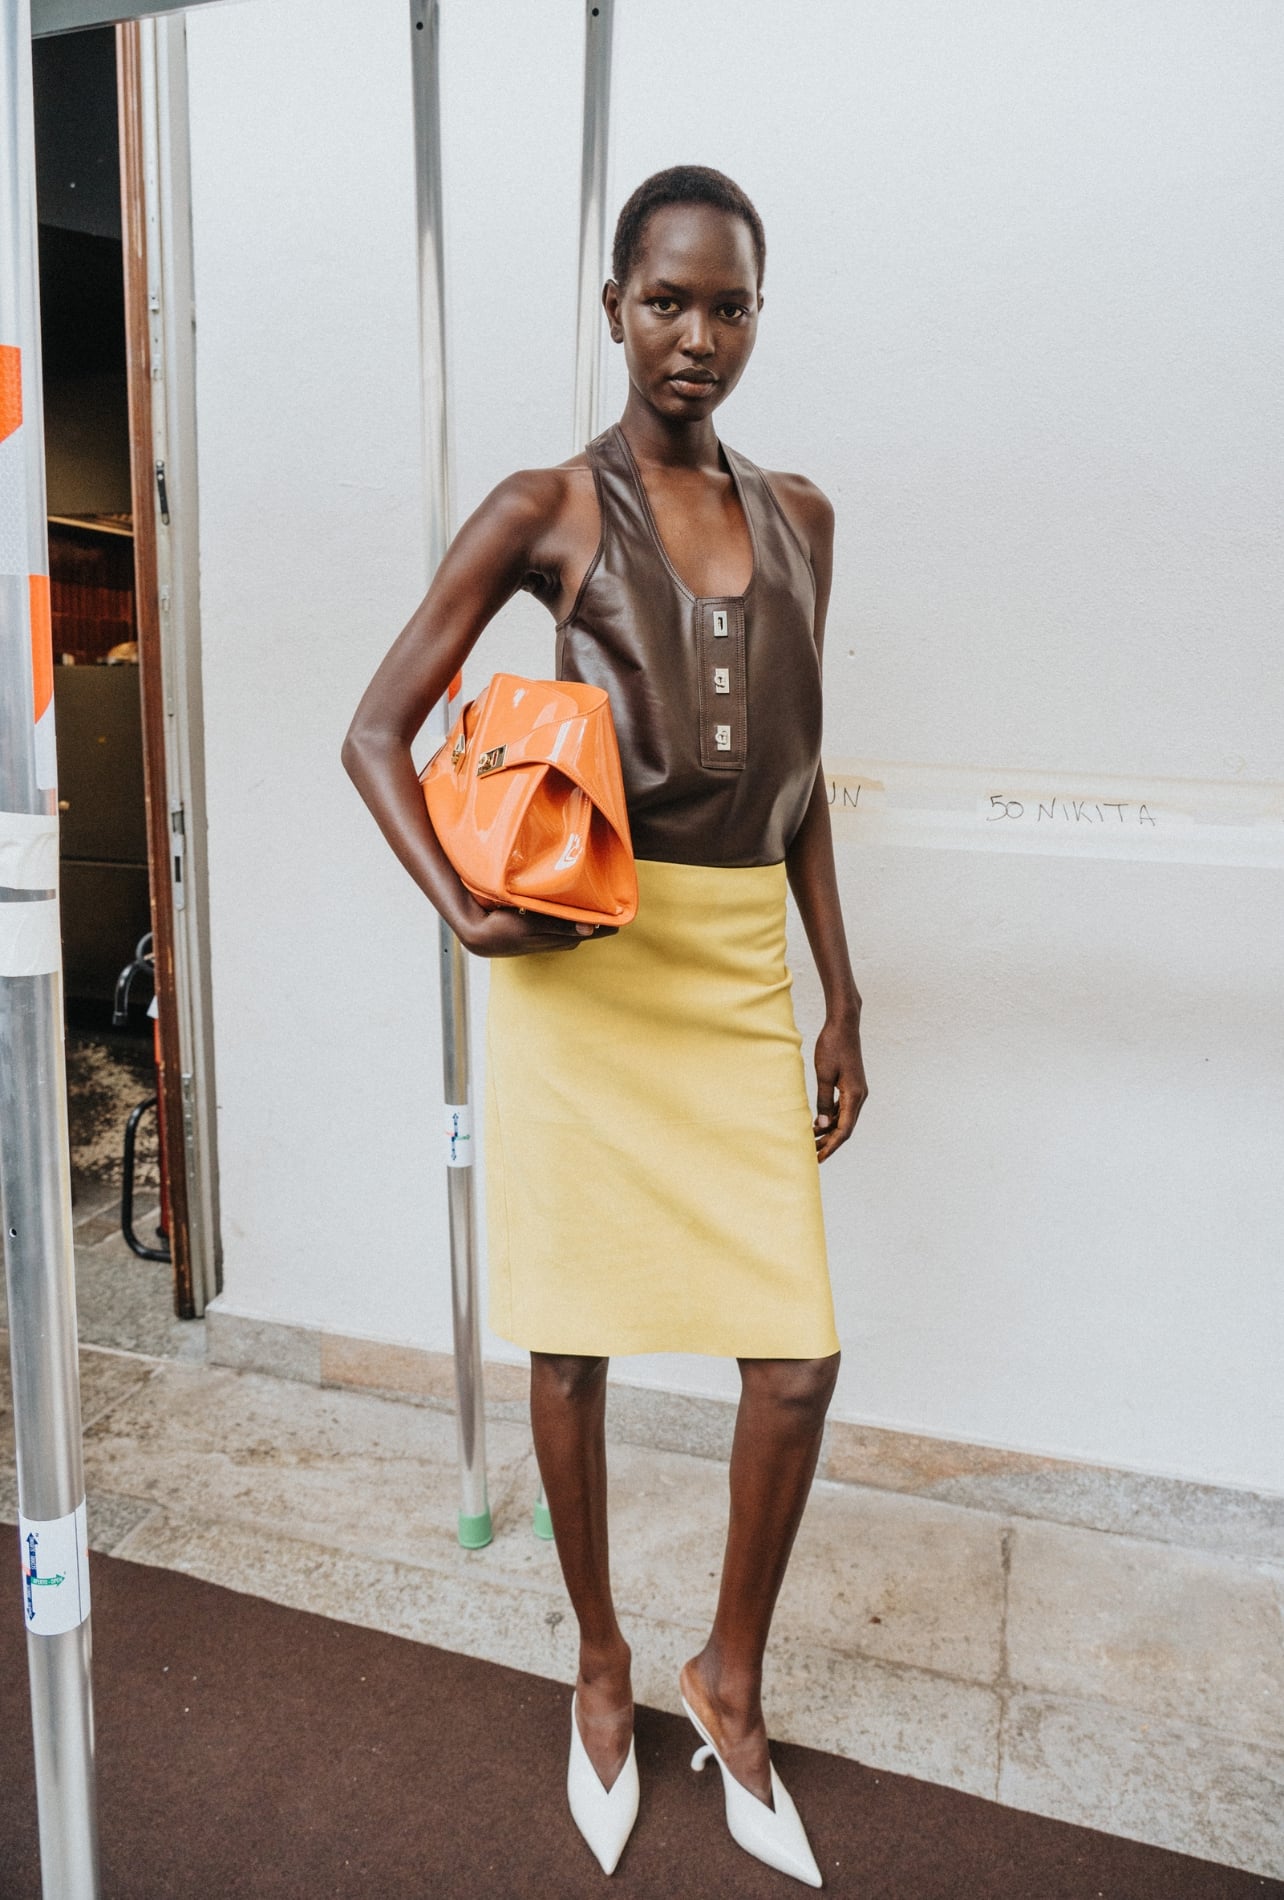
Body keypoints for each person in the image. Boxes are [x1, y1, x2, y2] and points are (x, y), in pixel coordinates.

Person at [342, 164, 868, 1887]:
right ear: (614, 305)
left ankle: (730, 1676)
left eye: (728, 307)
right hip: (583, 972)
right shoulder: (544, 508)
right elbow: (374, 730)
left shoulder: (806, 515)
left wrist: (840, 986)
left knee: (793, 1359)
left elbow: (795, 785)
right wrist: (464, 904)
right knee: (567, 1345)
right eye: (667, 302)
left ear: (756, 318)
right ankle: (595, 1657)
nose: (696, 338)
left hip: (732, 980)